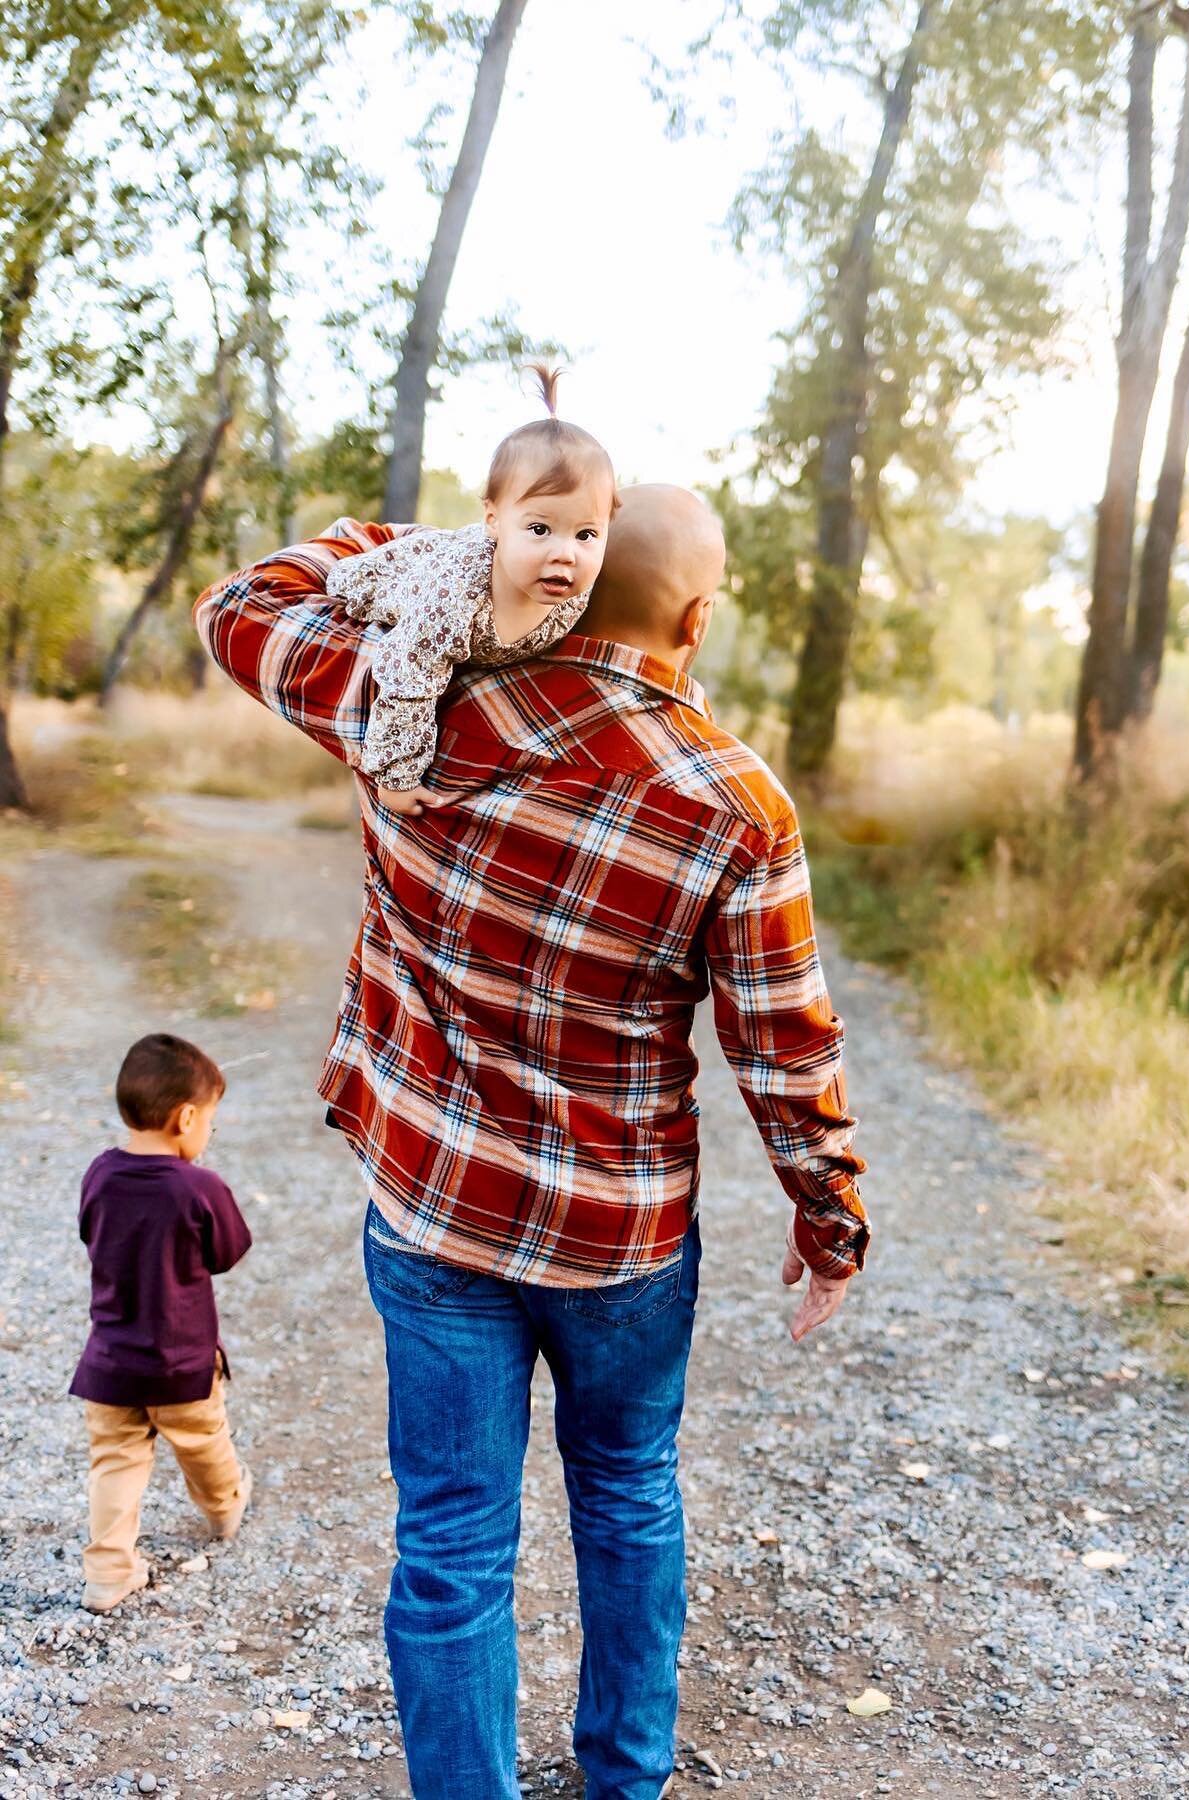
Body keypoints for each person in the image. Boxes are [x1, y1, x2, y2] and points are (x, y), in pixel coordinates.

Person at [194, 483, 869, 1800]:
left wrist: (444, 549)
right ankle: (624, 1780)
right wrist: (828, 1218)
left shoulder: (412, 705)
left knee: (451, 1541)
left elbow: (240, 608)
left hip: (438, 1214)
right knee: (626, 1493)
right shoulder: (741, 804)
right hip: (624, 1238)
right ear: (696, 613)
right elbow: (786, 1051)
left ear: (559, 574)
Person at [326, 364, 614, 814]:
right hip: (414, 577)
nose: (566, 554)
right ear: (494, 519)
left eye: (586, 534)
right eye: (539, 528)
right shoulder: (454, 600)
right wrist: (396, 777)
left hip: (468, 564)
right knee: (354, 585)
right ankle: (360, 554)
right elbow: (408, 675)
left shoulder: (574, 588)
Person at [69, 1033, 254, 1615]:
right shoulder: (198, 1187)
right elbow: (228, 1252)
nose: (208, 1136)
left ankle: (107, 1573)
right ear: (187, 1116)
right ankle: (224, 1511)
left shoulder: (100, 1174)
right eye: (211, 1124)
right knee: (204, 1444)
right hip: (182, 1364)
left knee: (115, 1463)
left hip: (110, 1365)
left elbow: (88, 1232)